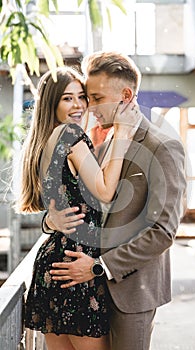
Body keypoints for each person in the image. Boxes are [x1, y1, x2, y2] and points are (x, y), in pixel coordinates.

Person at [42, 52, 187, 350]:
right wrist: (50, 221)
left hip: (130, 291)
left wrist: (99, 267)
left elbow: (162, 231)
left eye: (95, 98)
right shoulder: (105, 144)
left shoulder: (164, 147)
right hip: (86, 289)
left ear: (125, 96)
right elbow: (81, 206)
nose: (89, 107)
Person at [17, 65, 138, 350]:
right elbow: (106, 192)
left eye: (81, 96)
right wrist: (121, 132)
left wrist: (50, 222)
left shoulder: (43, 141)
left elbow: (62, 204)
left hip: (55, 260)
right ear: (52, 103)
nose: (79, 105)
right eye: (67, 98)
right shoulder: (70, 134)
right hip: (76, 263)